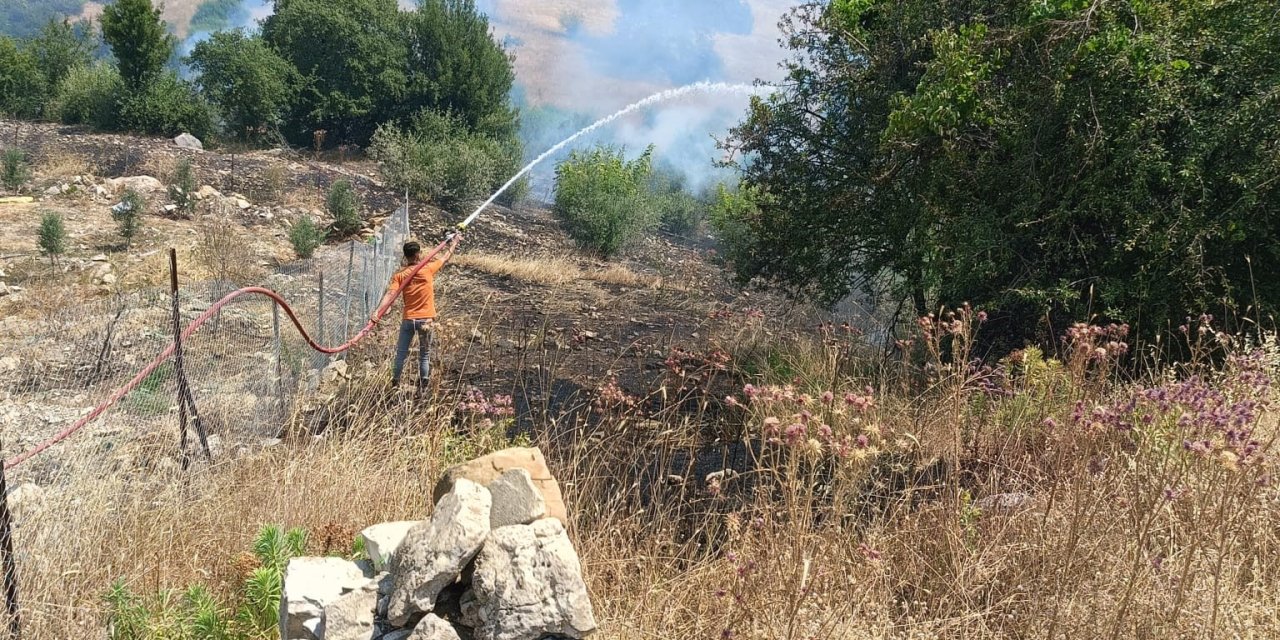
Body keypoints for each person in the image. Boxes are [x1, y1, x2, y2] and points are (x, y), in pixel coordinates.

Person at [374, 233, 462, 393]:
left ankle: (395, 384)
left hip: (408, 320)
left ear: (406, 256)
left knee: (401, 354)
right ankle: (423, 387)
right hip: (426, 320)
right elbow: (445, 258)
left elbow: (390, 294)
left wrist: (378, 311)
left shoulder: (400, 276)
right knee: (424, 355)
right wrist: (454, 243)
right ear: (418, 254)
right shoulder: (427, 269)